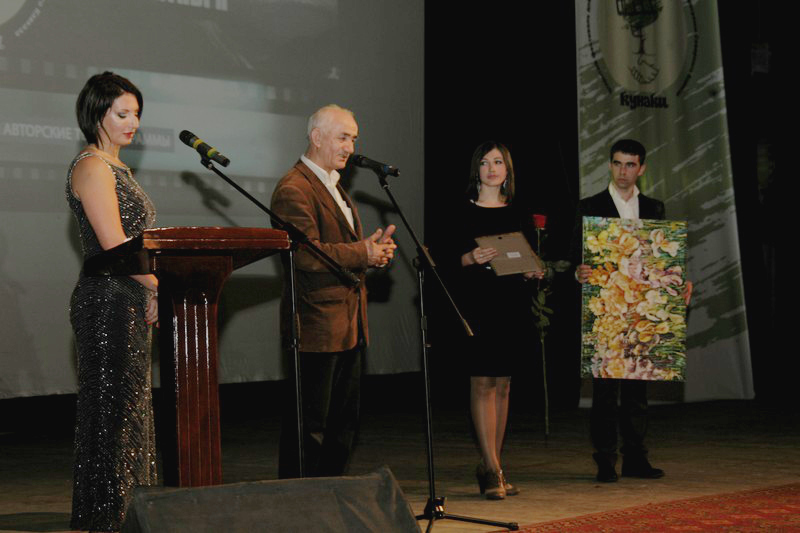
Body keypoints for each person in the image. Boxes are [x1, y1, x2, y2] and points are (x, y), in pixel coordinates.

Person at [271, 104, 396, 478]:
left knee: (343, 426)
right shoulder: (293, 188)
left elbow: (339, 250)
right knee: (310, 427)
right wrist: (362, 253)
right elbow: (305, 255)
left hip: (349, 325)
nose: (350, 147)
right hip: (315, 326)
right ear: (316, 137)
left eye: (353, 138)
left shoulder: (334, 185)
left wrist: (373, 253)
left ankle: (330, 496)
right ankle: (297, 502)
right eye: (343, 137)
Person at [66, 72, 158, 531]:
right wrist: (159, 285)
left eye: (136, 113)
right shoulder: (93, 166)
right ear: (96, 114)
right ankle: (109, 515)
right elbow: (116, 246)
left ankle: (126, 510)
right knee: (112, 412)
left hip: (127, 296)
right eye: (122, 113)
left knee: (129, 410)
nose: (133, 122)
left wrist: (149, 288)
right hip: (107, 301)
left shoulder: (116, 167)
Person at [573, 138, 692, 483]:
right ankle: (605, 459)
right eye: (617, 163)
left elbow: (661, 258)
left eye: (629, 164)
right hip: (606, 308)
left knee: (638, 387)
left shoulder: (654, 207)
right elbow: (571, 255)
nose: (622, 171)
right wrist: (577, 272)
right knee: (605, 390)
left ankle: (636, 458)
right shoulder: (589, 206)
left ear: (641, 168)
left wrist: (677, 283)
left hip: (641, 306)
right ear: (610, 165)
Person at [452, 141, 543, 500]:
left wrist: (533, 270)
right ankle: (490, 468)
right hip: (476, 304)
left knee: (503, 385)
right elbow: (441, 259)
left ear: (508, 171)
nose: (492, 169)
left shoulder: (518, 211)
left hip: (510, 305)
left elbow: (528, 257)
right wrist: (470, 257)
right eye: (486, 162)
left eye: (499, 162)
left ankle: (495, 463)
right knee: (482, 383)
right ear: (476, 169)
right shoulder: (462, 210)